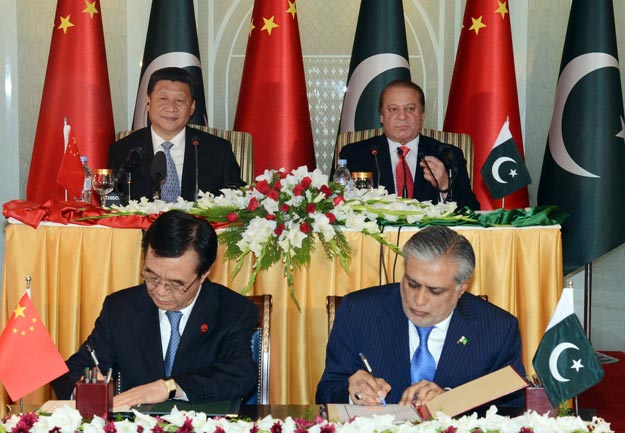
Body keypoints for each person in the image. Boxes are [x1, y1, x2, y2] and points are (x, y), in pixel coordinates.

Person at [52, 210, 258, 406]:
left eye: (175, 284)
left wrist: (170, 387)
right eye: (151, 277)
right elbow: (75, 370)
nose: (159, 291)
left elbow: (239, 374)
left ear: (204, 273)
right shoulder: (121, 308)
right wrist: (84, 388)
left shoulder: (232, 310)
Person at [316, 226, 525, 408]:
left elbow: (513, 407)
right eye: (412, 284)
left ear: (461, 288)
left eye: (435, 291)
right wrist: (353, 393)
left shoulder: (498, 329)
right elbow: (327, 391)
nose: (419, 299)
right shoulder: (359, 312)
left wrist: (453, 402)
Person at [337, 80, 480, 210]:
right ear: (381, 116)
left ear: (422, 115)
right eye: (393, 109)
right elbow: (338, 206)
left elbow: (472, 210)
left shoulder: (447, 154)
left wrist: (445, 186)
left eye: (410, 109)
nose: (402, 116)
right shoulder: (354, 154)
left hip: (431, 237)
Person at [109, 67, 245, 202]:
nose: (171, 107)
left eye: (180, 100)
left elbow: (236, 198)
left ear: (192, 107)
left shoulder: (218, 150)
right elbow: (111, 200)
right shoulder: (123, 150)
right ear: (148, 102)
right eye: (163, 98)